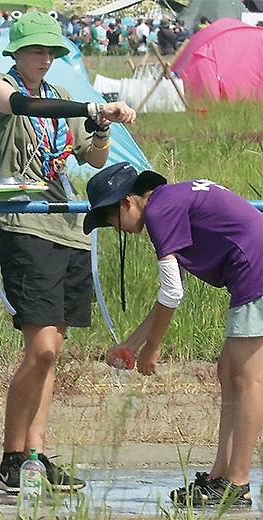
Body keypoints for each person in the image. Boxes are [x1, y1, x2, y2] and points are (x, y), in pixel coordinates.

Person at [0, 11, 137, 495]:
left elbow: (95, 157)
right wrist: (90, 107)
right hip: (24, 225)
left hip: (71, 229)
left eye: (51, 52)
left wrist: (104, 123)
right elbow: (21, 106)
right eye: (36, 50)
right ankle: (11, 456)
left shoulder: (65, 98)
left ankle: (36, 455)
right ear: (16, 52)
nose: (44, 59)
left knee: (53, 352)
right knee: (40, 349)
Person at [83, 162, 263, 507]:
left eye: (110, 220)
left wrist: (152, 349)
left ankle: (238, 482)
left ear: (127, 203)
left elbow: (171, 293)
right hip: (252, 270)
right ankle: (220, 476)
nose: (115, 229)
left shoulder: (160, 212)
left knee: (249, 378)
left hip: (255, 271)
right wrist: (132, 345)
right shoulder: (170, 200)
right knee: (228, 371)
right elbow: (174, 286)